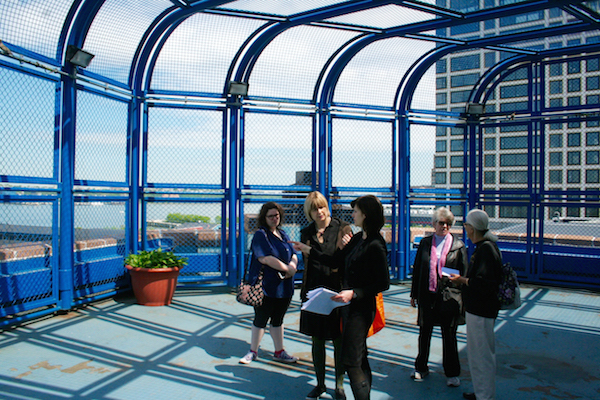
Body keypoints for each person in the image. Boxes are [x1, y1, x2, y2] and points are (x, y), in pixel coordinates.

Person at [293, 195, 390, 400]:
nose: (352, 214)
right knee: (360, 358)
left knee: (351, 360)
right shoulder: (357, 238)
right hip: (348, 306)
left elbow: (383, 283)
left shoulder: (375, 243)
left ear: (365, 215)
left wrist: (354, 293)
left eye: (355, 211)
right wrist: (309, 250)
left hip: (360, 308)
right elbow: (335, 259)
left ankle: (356, 394)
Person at [299, 192, 351, 400]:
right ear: (309, 211)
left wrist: (310, 251)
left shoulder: (342, 228)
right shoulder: (307, 232)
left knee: (338, 340)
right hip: (314, 291)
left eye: (321, 207)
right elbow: (309, 264)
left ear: (327, 207)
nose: (319, 212)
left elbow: (338, 261)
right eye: (314, 208)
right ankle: (320, 384)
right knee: (317, 340)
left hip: (336, 291)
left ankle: (339, 384)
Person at [410, 207, 468, 388]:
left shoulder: (458, 246)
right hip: (428, 295)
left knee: (449, 335)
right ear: (434, 223)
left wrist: (462, 296)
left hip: (449, 295)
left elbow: (463, 272)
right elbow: (418, 269)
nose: (445, 226)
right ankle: (421, 367)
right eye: (441, 222)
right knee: (424, 332)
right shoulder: (426, 244)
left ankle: (452, 373)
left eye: (448, 223)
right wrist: (414, 294)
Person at [450, 209, 502, 400]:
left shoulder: (485, 250)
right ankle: (482, 392)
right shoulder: (487, 247)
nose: (466, 229)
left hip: (481, 311)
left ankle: (485, 396)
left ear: (472, 228)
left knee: (482, 356)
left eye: (466, 226)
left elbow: (484, 284)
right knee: (480, 354)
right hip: (481, 310)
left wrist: (463, 281)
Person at [239, 202, 299, 365]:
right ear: (264, 218)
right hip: (265, 286)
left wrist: (292, 266)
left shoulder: (283, 234)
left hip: (284, 286)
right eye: (271, 216)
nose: (275, 218)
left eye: (277, 215)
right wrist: (287, 268)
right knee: (261, 318)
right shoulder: (261, 235)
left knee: (278, 319)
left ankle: (279, 351)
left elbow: (293, 253)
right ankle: (253, 351)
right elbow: (265, 258)